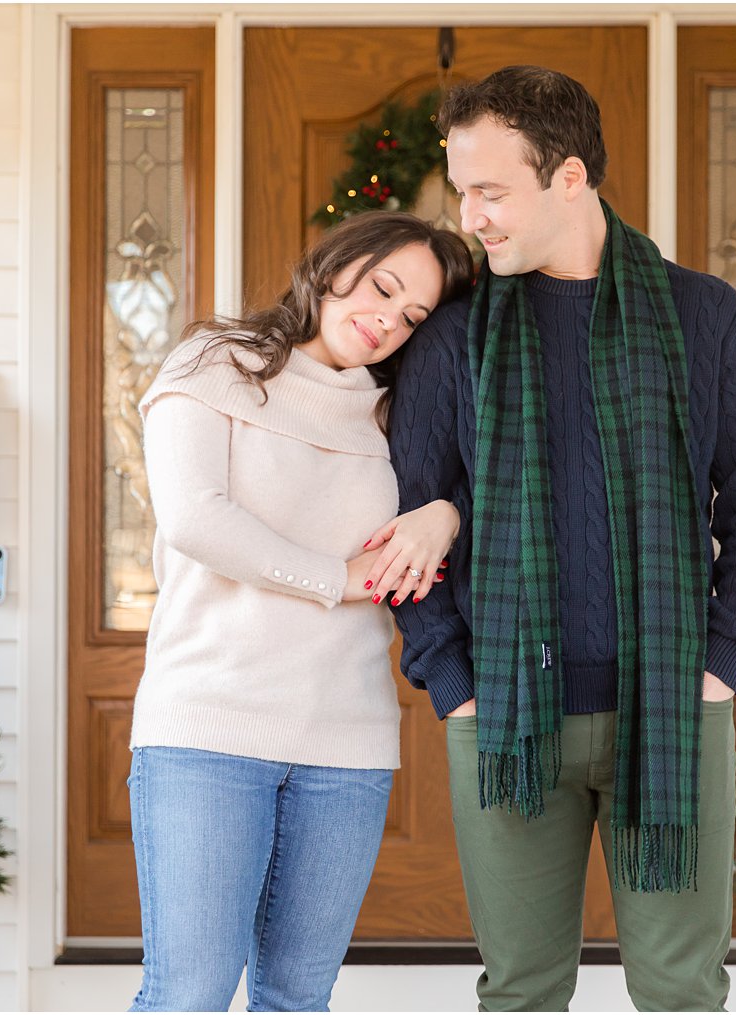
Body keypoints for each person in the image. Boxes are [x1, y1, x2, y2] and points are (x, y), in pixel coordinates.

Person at [388, 67, 736, 1011]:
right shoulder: (450, 341)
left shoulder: (706, 319)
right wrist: (455, 688)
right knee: (520, 990)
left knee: (680, 989)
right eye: (461, 192)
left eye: (491, 192)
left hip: (672, 704)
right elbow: (414, 518)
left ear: (569, 177)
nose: (471, 216)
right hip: (504, 717)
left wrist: (722, 666)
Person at [128, 210, 474, 1012]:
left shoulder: (392, 413)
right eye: (385, 287)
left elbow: (465, 497)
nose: (389, 319)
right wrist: (339, 575)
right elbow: (195, 519)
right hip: (207, 728)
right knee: (189, 995)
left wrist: (445, 515)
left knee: (297, 1000)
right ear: (336, 264)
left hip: (346, 746)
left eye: (413, 315)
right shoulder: (215, 362)